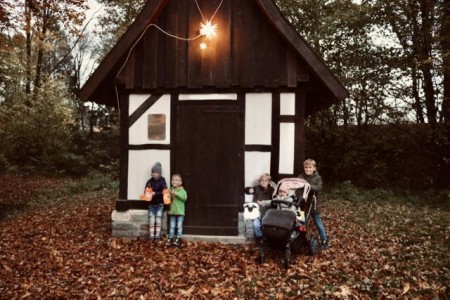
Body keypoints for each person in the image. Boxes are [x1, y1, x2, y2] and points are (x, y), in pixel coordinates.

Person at [298, 159, 328, 249]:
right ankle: (300, 238)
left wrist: (308, 186)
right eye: (306, 167)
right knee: (301, 221)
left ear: (314, 168)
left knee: (317, 222)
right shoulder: (301, 176)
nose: (308, 169)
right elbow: (298, 185)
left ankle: (324, 240)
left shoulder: (318, 178)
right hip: (302, 204)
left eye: (310, 167)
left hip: (314, 204)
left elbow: (318, 187)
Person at [244, 173, 274, 243]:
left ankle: (266, 239)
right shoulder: (256, 188)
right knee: (256, 225)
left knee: (266, 226)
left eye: (266, 180)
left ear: (269, 182)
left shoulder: (271, 190)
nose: (264, 182)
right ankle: (259, 238)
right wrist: (249, 190)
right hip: (257, 212)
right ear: (259, 181)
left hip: (267, 212)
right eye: (262, 180)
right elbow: (247, 190)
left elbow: (274, 199)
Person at [144, 162, 167, 242]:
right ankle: (151, 235)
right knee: (152, 220)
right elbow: (146, 191)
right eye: (153, 172)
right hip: (151, 204)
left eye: (156, 172)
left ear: (160, 173)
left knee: (158, 219)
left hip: (160, 204)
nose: (154, 174)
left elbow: (164, 192)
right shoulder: (149, 181)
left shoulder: (162, 181)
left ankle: (157, 235)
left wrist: (155, 193)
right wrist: (148, 193)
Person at [166, 173, 188, 247]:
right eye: (173, 180)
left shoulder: (182, 190)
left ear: (180, 183)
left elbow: (184, 198)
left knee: (179, 225)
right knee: (172, 225)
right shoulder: (170, 189)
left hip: (180, 212)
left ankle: (178, 238)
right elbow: (168, 199)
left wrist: (176, 194)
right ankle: (170, 238)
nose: (174, 181)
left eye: (176, 180)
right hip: (172, 211)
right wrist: (168, 194)